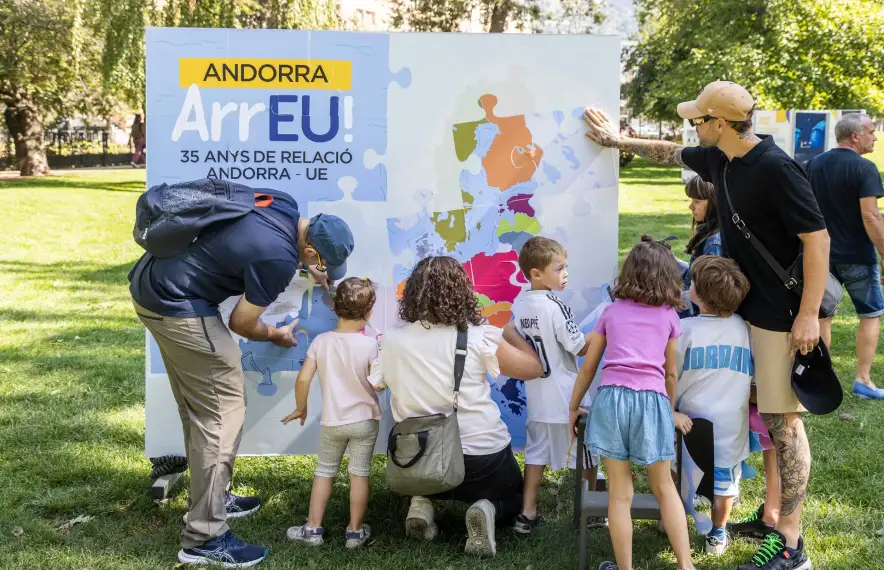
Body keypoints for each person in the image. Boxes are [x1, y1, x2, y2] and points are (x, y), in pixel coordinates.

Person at [584, 80, 828, 570]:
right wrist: (617, 140)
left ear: (719, 123)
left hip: (779, 317)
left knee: (783, 423)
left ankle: (791, 544)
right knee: (762, 417)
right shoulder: (721, 158)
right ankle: (770, 515)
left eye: (698, 119)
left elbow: (817, 239)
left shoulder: (777, 168)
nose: (693, 127)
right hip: (743, 311)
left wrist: (807, 314)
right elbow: (669, 152)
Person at [130, 187, 354, 568]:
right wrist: (276, 334)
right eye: (321, 262)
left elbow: (249, 241)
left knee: (202, 409)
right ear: (310, 249)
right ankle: (204, 537)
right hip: (177, 303)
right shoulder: (277, 258)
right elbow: (242, 322)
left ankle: (214, 499)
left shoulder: (284, 205)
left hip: (153, 284)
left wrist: (306, 267)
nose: (321, 269)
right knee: (222, 415)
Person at [368, 256, 542, 558]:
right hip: (481, 460)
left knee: (428, 478)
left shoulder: (391, 341)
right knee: (516, 494)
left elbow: (378, 384)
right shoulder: (478, 336)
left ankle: (421, 503)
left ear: (413, 293)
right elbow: (532, 368)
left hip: (417, 459)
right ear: (461, 291)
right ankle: (485, 508)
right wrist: (511, 333)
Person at [569, 235, 698, 570]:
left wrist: (573, 405)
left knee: (619, 494)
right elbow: (671, 373)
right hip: (653, 402)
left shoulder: (611, 312)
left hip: (612, 401)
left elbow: (589, 366)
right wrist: (668, 410)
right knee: (664, 487)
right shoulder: (670, 317)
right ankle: (686, 565)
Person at [281, 277, 381, 549]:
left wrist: (301, 407)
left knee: (324, 471)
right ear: (369, 311)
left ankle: (313, 530)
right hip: (365, 420)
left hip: (333, 422)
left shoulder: (321, 342)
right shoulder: (371, 345)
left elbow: (303, 379)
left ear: (335, 308)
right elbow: (378, 384)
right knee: (359, 473)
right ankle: (355, 533)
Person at [509, 236, 596, 535]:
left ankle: (527, 513)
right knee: (586, 455)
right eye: (559, 269)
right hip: (567, 398)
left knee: (536, 455)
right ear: (536, 273)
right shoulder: (556, 306)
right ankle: (592, 511)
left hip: (538, 399)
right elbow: (578, 347)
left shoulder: (521, 304)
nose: (565, 274)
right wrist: (602, 331)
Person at [674, 256, 751, 556]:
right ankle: (717, 534)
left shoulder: (684, 330)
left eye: (692, 282)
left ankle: (672, 519)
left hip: (690, 422)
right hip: (731, 424)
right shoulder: (743, 328)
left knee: (681, 474)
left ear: (698, 294)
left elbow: (671, 372)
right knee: (724, 486)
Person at [807, 113, 884, 399]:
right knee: (870, 314)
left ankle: (823, 380)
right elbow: (871, 216)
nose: (874, 137)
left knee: (822, 316)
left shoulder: (813, 165)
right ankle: (863, 380)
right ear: (855, 135)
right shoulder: (865, 168)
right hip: (858, 256)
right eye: (871, 132)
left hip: (820, 256)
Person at [678, 175, 722, 317]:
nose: (691, 206)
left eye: (697, 201)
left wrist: (675, 298)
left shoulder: (714, 242)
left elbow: (707, 291)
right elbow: (697, 275)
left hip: (694, 318)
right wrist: (673, 262)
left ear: (714, 203)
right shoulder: (711, 234)